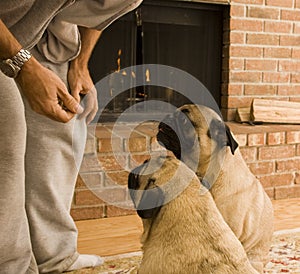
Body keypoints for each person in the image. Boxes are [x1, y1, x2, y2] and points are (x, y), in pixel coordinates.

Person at [0, 0, 143, 273]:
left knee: (62, 129)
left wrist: (80, 64)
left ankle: (54, 256)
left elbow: (95, 16)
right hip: (8, 36)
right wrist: (24, 65)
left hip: (43, 37)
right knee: (7, 142)